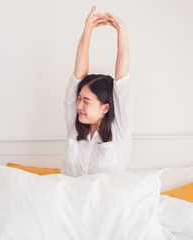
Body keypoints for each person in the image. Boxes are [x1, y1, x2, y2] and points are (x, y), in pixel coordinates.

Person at [62, 6, 133, 176]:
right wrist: (87, 33)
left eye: (86, 101)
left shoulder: (119, 131)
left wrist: (122, 32)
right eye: (79, 98)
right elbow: (78, 76)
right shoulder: (75, 126)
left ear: (105, 107)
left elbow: (122, 80)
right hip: (71, 201)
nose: (79, 105)